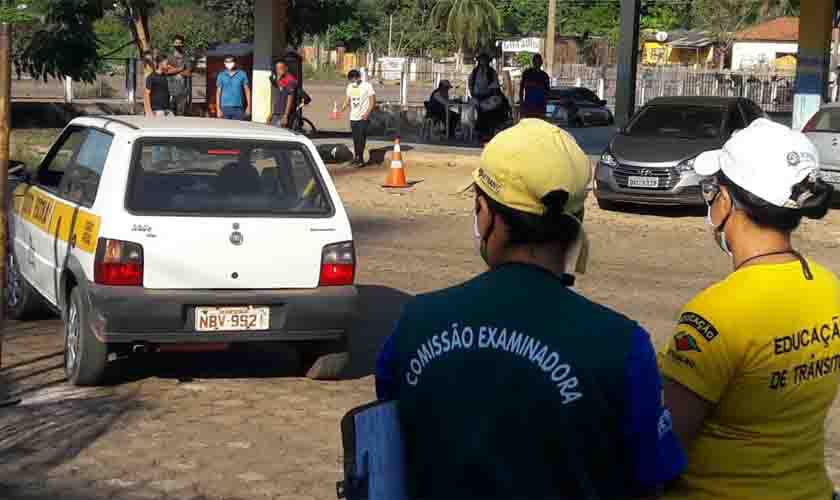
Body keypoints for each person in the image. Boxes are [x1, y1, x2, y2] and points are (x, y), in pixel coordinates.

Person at [376, 118, 686, 500]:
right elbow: (651, 477)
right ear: (577, 222)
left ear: (486, 213)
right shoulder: (623, 346)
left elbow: (386, 441)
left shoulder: (415, 321)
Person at [658, 118, 838, 500]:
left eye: (712, 190)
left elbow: (663, 444)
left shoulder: (713, 317)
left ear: (726, 201)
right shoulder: (828, 288)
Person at [340, 69, 375, 167]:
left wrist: (367, 114)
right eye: (351, 80)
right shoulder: (350, 87)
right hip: (353, 117)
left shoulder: (367, 86)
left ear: (359, 77)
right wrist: (340, 110)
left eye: (354, 79)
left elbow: (372, 102)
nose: (353, 82)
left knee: (361, 138)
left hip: (363, 117)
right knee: (355, 138)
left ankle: (360, 159)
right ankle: (356, 158)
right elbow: (347, 100)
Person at [469, 52, 501, 139]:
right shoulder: (475, 72)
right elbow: (470, 84)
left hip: (488, 97)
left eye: (485, 60)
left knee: (487, 109)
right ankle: (477, 131)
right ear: (479, 61)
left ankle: (486, 132)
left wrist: (490, 96)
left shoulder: (492, 72)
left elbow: (495, 86)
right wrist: (473, 94)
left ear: (488, 61)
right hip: (476, 97)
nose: (483, 62)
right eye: (481, 60)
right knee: (473, 109)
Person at [216, 55, 251, 120]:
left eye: (231, 61)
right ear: (224, 63)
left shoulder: (242, 74)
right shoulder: (221, 75)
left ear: (235, 63)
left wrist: (249, 107)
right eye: (227, 62)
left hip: (238, 108)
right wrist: (218, 109)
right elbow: (218, 93)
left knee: (237, 129)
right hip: (224, 108)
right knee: (224, 128)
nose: (229, 63)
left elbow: (247, 91)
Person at [167, 34, 193, 116]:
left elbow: (188, 73)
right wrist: (180, 69)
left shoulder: (186, 58)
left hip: (183, 91)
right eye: (176, 43)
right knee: (170, 114)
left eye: (179, 43)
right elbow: (166, 71)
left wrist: (174, 70)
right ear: (173, 44)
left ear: (182, 44)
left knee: (181, 115)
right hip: (170, 90)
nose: (177, 45)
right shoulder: (169, 57)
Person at [266, 60, 298, 128]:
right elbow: (275, 97)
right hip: (276, 113)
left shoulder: (290, 80)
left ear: (286, 68)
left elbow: (290, 98)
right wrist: (271, 113)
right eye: (277, 68)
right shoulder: (278, 80)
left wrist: (285, 116)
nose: (278, 70)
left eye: (281, 68)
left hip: (283, 114)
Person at [519, 53, 551, 119]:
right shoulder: (527, 73)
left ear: (541, 63)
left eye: (538, 62)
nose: (537, 64)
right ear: (533, 62)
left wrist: (544, 105)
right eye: (535, 62)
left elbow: (547, 92)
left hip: (540, 107)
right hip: (528, 107)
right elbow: (521, 89)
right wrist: (521, 103)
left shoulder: (545, 76)